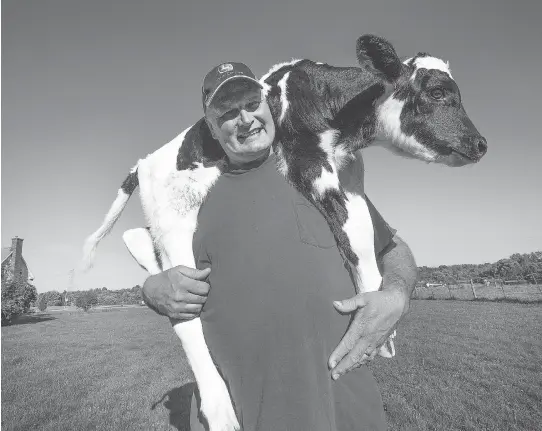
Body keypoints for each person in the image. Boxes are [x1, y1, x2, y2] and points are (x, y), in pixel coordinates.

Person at [142, 62, 418, 430]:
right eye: (227, 112)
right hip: (249, 416)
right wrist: (150, 290)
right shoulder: (190, 202)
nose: (244, 119)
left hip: (349, 411)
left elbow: (392, 248)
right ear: (210, 127)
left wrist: (396, 295)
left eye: (251, 102)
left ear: (269, 104)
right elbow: (157, 266)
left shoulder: (321, 173)